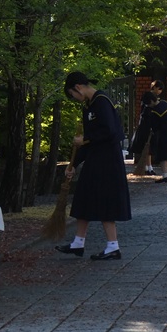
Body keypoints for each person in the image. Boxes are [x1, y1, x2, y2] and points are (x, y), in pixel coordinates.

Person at [56, 72, 132, 260]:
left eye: (72, 94)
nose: (75, 98)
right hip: (95, 158)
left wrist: (85, 138)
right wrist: (73, 164)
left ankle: (113, 246)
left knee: (105, 200)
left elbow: (110, 131)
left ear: (78, 88)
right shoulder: (89, 105)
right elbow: (89, 142)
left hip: (107, 160)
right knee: (84, 197)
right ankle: (78, 243)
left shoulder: (102, 102)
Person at [143, 90, 167, 183]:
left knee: (163, 155)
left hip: (163, 134)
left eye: (148, 104)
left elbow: (154, 126)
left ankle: (164, 175)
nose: (149, 106)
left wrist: (151, 130)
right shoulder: (165, 103)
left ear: (151, 101)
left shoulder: (155, 112)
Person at [128, 91, 156, 174]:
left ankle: (149, 167)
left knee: (147, 150)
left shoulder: (145, 108)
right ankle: (148, 167)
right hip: (146, 131)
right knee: (147, 149)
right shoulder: (148, 110)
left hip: (145, 131)